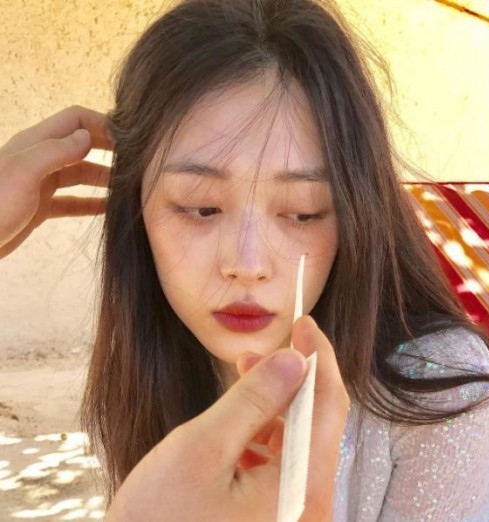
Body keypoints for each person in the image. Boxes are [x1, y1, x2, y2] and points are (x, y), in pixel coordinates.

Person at [0, 105, 349, 521]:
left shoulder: (420, 408)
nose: (248, 265)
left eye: (303, 212)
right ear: (137, 212)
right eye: (200, 207)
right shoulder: (145, 383)